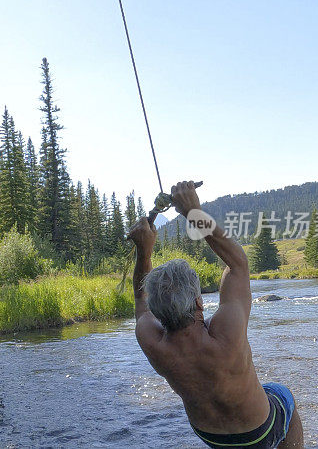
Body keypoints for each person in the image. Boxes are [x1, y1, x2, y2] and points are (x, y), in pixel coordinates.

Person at [128, 181, 303, 449]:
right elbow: (236, 263)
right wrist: (194, 214)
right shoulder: (226, 332)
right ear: (199, 302)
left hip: (210, 436)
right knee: (282, 394)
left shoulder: (152, 341)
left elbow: (141, 298)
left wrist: (144, 250)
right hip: (258, 432)